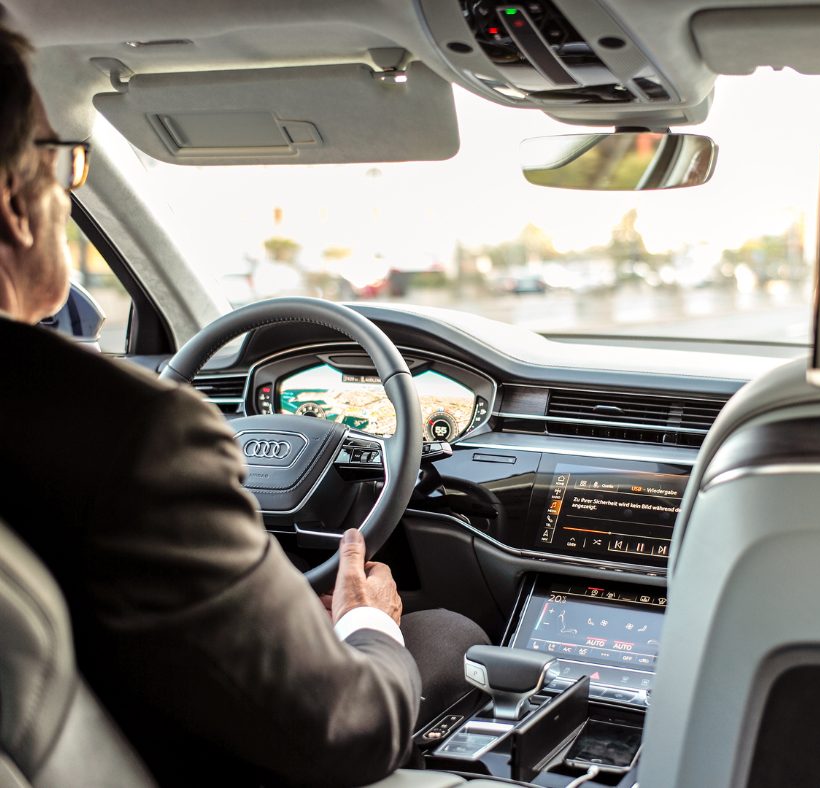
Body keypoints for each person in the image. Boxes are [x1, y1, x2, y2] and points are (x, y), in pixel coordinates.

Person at [0, 24, 487, 788]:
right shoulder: (139, 434)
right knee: (447, 630)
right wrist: (363, 622)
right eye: (66, 164)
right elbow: (341, 733)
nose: (67, 192)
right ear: (14, 203)